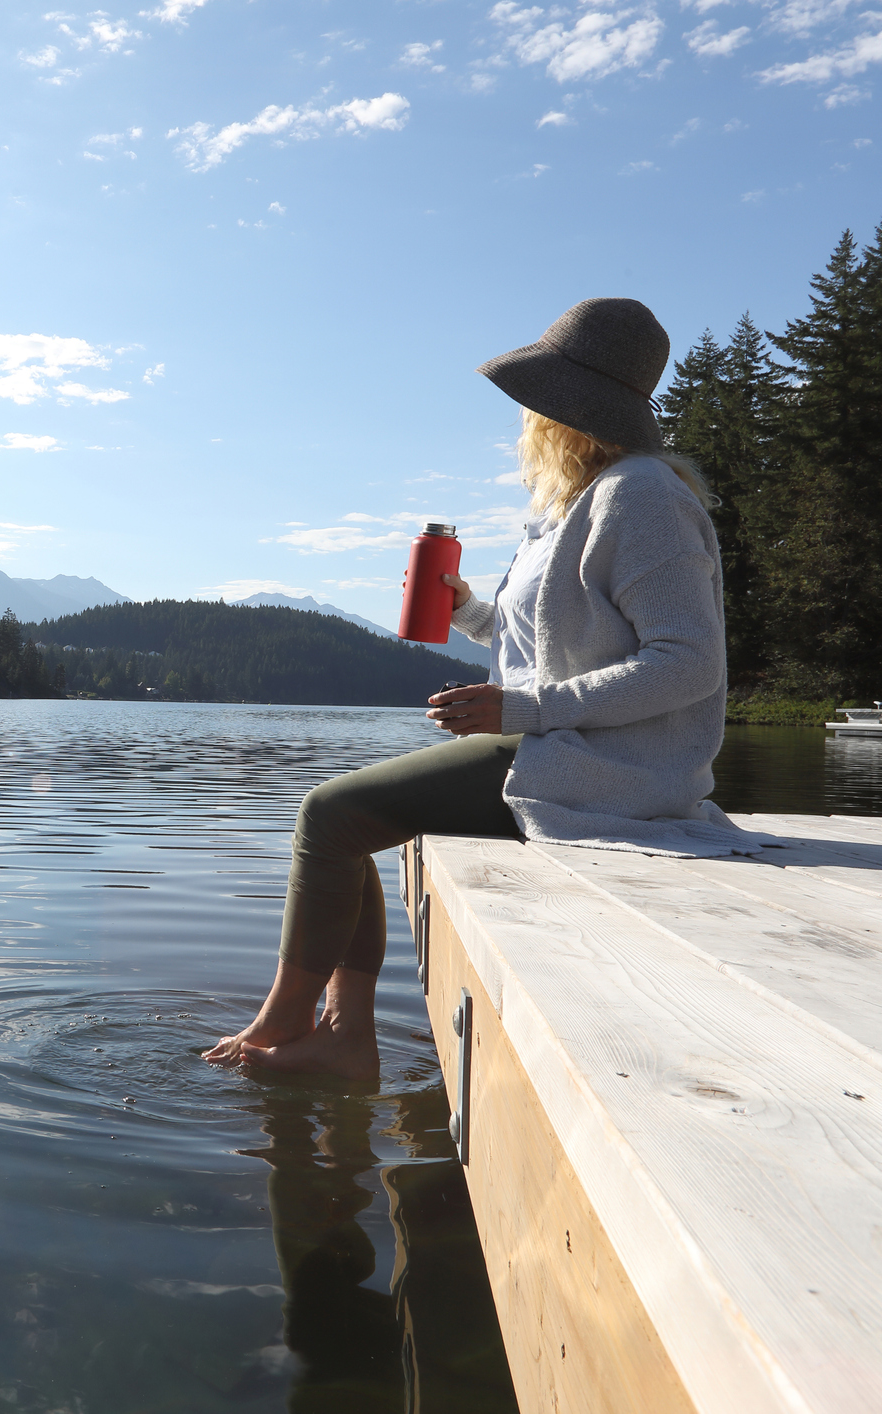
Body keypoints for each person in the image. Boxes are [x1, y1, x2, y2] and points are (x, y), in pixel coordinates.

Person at [205, 297, 770, 1080]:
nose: (523, 420)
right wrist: (468, 610)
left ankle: (290, 1022)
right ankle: (343, 1034)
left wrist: (524, 709)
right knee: (346, 826)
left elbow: (687, 662)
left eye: (535, 400)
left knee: (327, 814)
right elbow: (541, 642)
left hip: (609, 770)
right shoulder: (580, 499)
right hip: (558, 741)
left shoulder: (641, 495)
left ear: (568, 407)